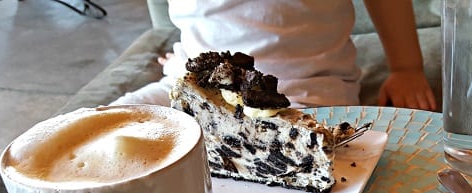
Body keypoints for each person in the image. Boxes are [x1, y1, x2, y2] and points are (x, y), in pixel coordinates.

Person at [112, 0, 436, 111]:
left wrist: (406, 68)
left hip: (303, 91)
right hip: (192, 84)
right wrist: (188, 61)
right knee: (105, 121)